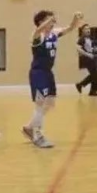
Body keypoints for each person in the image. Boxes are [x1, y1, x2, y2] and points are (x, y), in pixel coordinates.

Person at [23, 10, 83, 148]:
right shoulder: (37, 36)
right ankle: (38, 135)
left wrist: (75, 18)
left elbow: (70, 28)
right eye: (48, 20)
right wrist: (50, 20)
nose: (52, 22)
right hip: (38, 73)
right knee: (40, 103)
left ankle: (30, 127)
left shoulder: (54, 33)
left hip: (48, 72)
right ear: (41, 22)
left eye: (52, 20)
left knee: (50, 103)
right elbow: (38, 30)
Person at [75, 24, 97, 96]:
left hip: (90, 57)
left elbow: (89, 48)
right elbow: (78, 49)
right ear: (82, 30)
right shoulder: (81, 39)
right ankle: (90, 90)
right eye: (86, 29)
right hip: (86, 58)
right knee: (94, 74)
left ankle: (83, 86)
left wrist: (94, 49)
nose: (88, 30)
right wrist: (87, 54)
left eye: (89, 29)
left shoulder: (89, 39)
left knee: (94, 74)